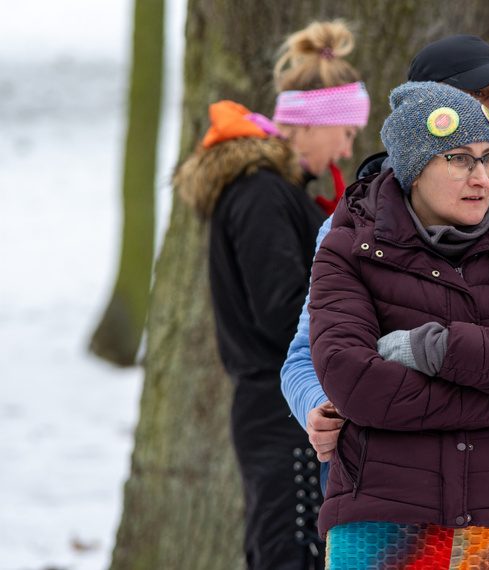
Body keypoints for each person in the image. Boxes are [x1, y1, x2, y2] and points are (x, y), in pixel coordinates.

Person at [281, 33, 489, 548]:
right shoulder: (352, 227)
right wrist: (317, 404)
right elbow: (314, 360)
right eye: (484, 96)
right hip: (383, 506)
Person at [173, 20, 369, 570]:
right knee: (289, 551)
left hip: (279, 404)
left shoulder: (277, 193)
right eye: (347, 131)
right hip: (277, 407)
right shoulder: (262, 195)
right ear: (311, 125)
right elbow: (285, 309)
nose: (350, 146)